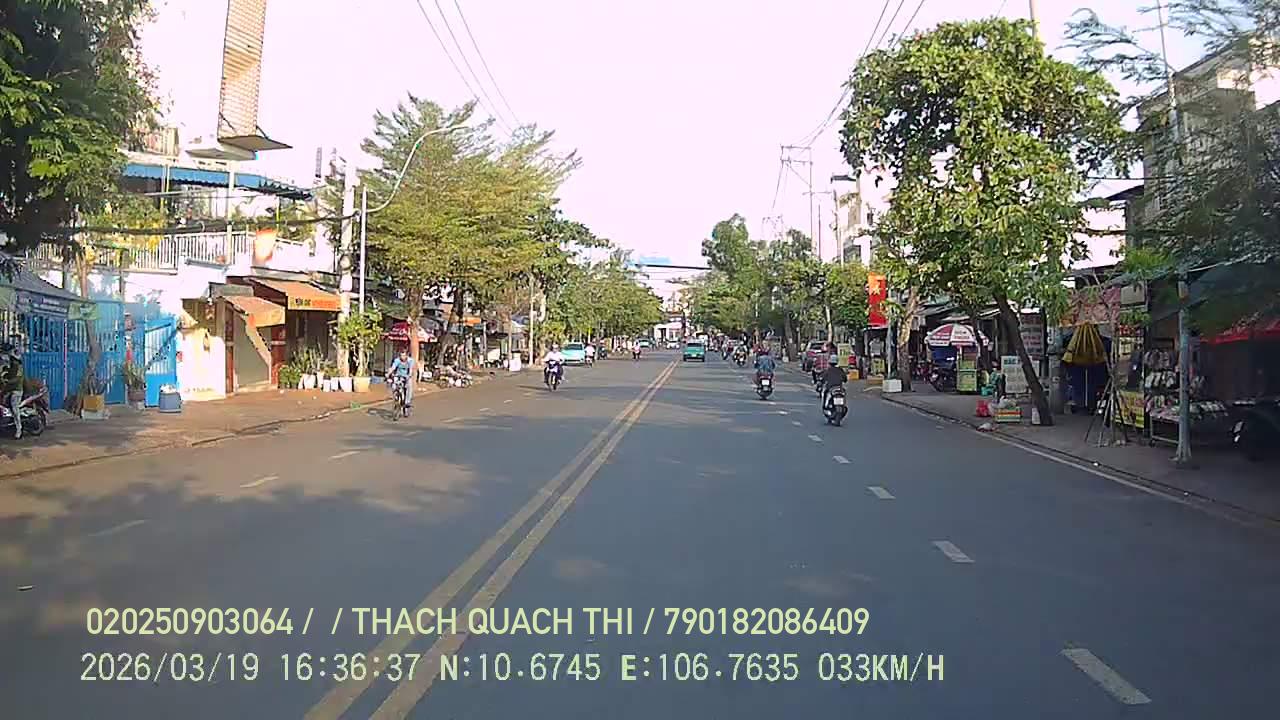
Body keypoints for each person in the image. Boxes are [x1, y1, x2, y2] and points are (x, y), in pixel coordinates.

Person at [2, 344, 24, 439]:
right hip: (7, 388)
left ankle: (19, 429)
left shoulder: (17, 364)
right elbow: (5, 373)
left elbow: (17, 379)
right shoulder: (9, 364)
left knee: (14, 408)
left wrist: (7, 381)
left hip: (16, 389)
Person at [388, 348, 416, 412]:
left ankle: (407, 402)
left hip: (407, 376)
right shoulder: (397, 360)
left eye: (403, 355)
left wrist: (409, 375)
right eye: (401, 355)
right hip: (398, 375)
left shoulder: (410, 361)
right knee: (393, 385)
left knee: (409, 386)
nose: (402, 357)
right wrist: (388, 373)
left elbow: (410, 369)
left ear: (406, 355)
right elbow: (393, 367)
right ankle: (396, 397)